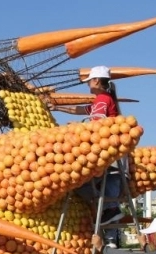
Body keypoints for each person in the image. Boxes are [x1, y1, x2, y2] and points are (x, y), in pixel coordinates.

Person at [50, 65, 123, 227]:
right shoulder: (103, 99)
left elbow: (97, 124)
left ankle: (110, 208)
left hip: (107, 150)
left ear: (96, 81)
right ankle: (107, 208)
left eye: (89, 81)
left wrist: (77, 126)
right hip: (111, 150)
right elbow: (81, 110)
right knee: (97, 183)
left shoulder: (103, 99)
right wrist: (57, 107)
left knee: (80, 185)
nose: (87, 84)